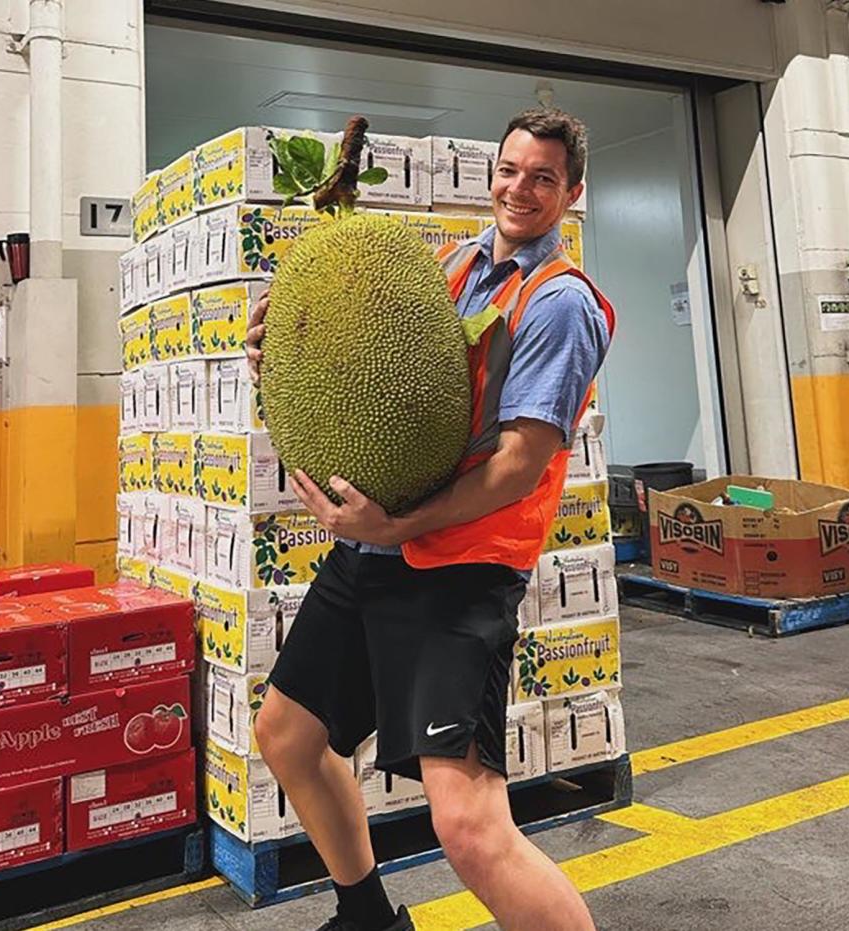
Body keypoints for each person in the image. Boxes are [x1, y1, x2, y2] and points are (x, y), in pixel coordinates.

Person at [247, 107, 615, 931]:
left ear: (572, 194)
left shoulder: (561, 303)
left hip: (462, 571)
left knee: (470, 826)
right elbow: (374, 360)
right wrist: (294, 334)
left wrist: (391, 528)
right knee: (289, 735)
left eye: (544, 177)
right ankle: (368, 917)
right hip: (384, 545)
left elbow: (519, 464)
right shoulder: (451, 267)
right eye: (511, 169)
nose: (521, 188)